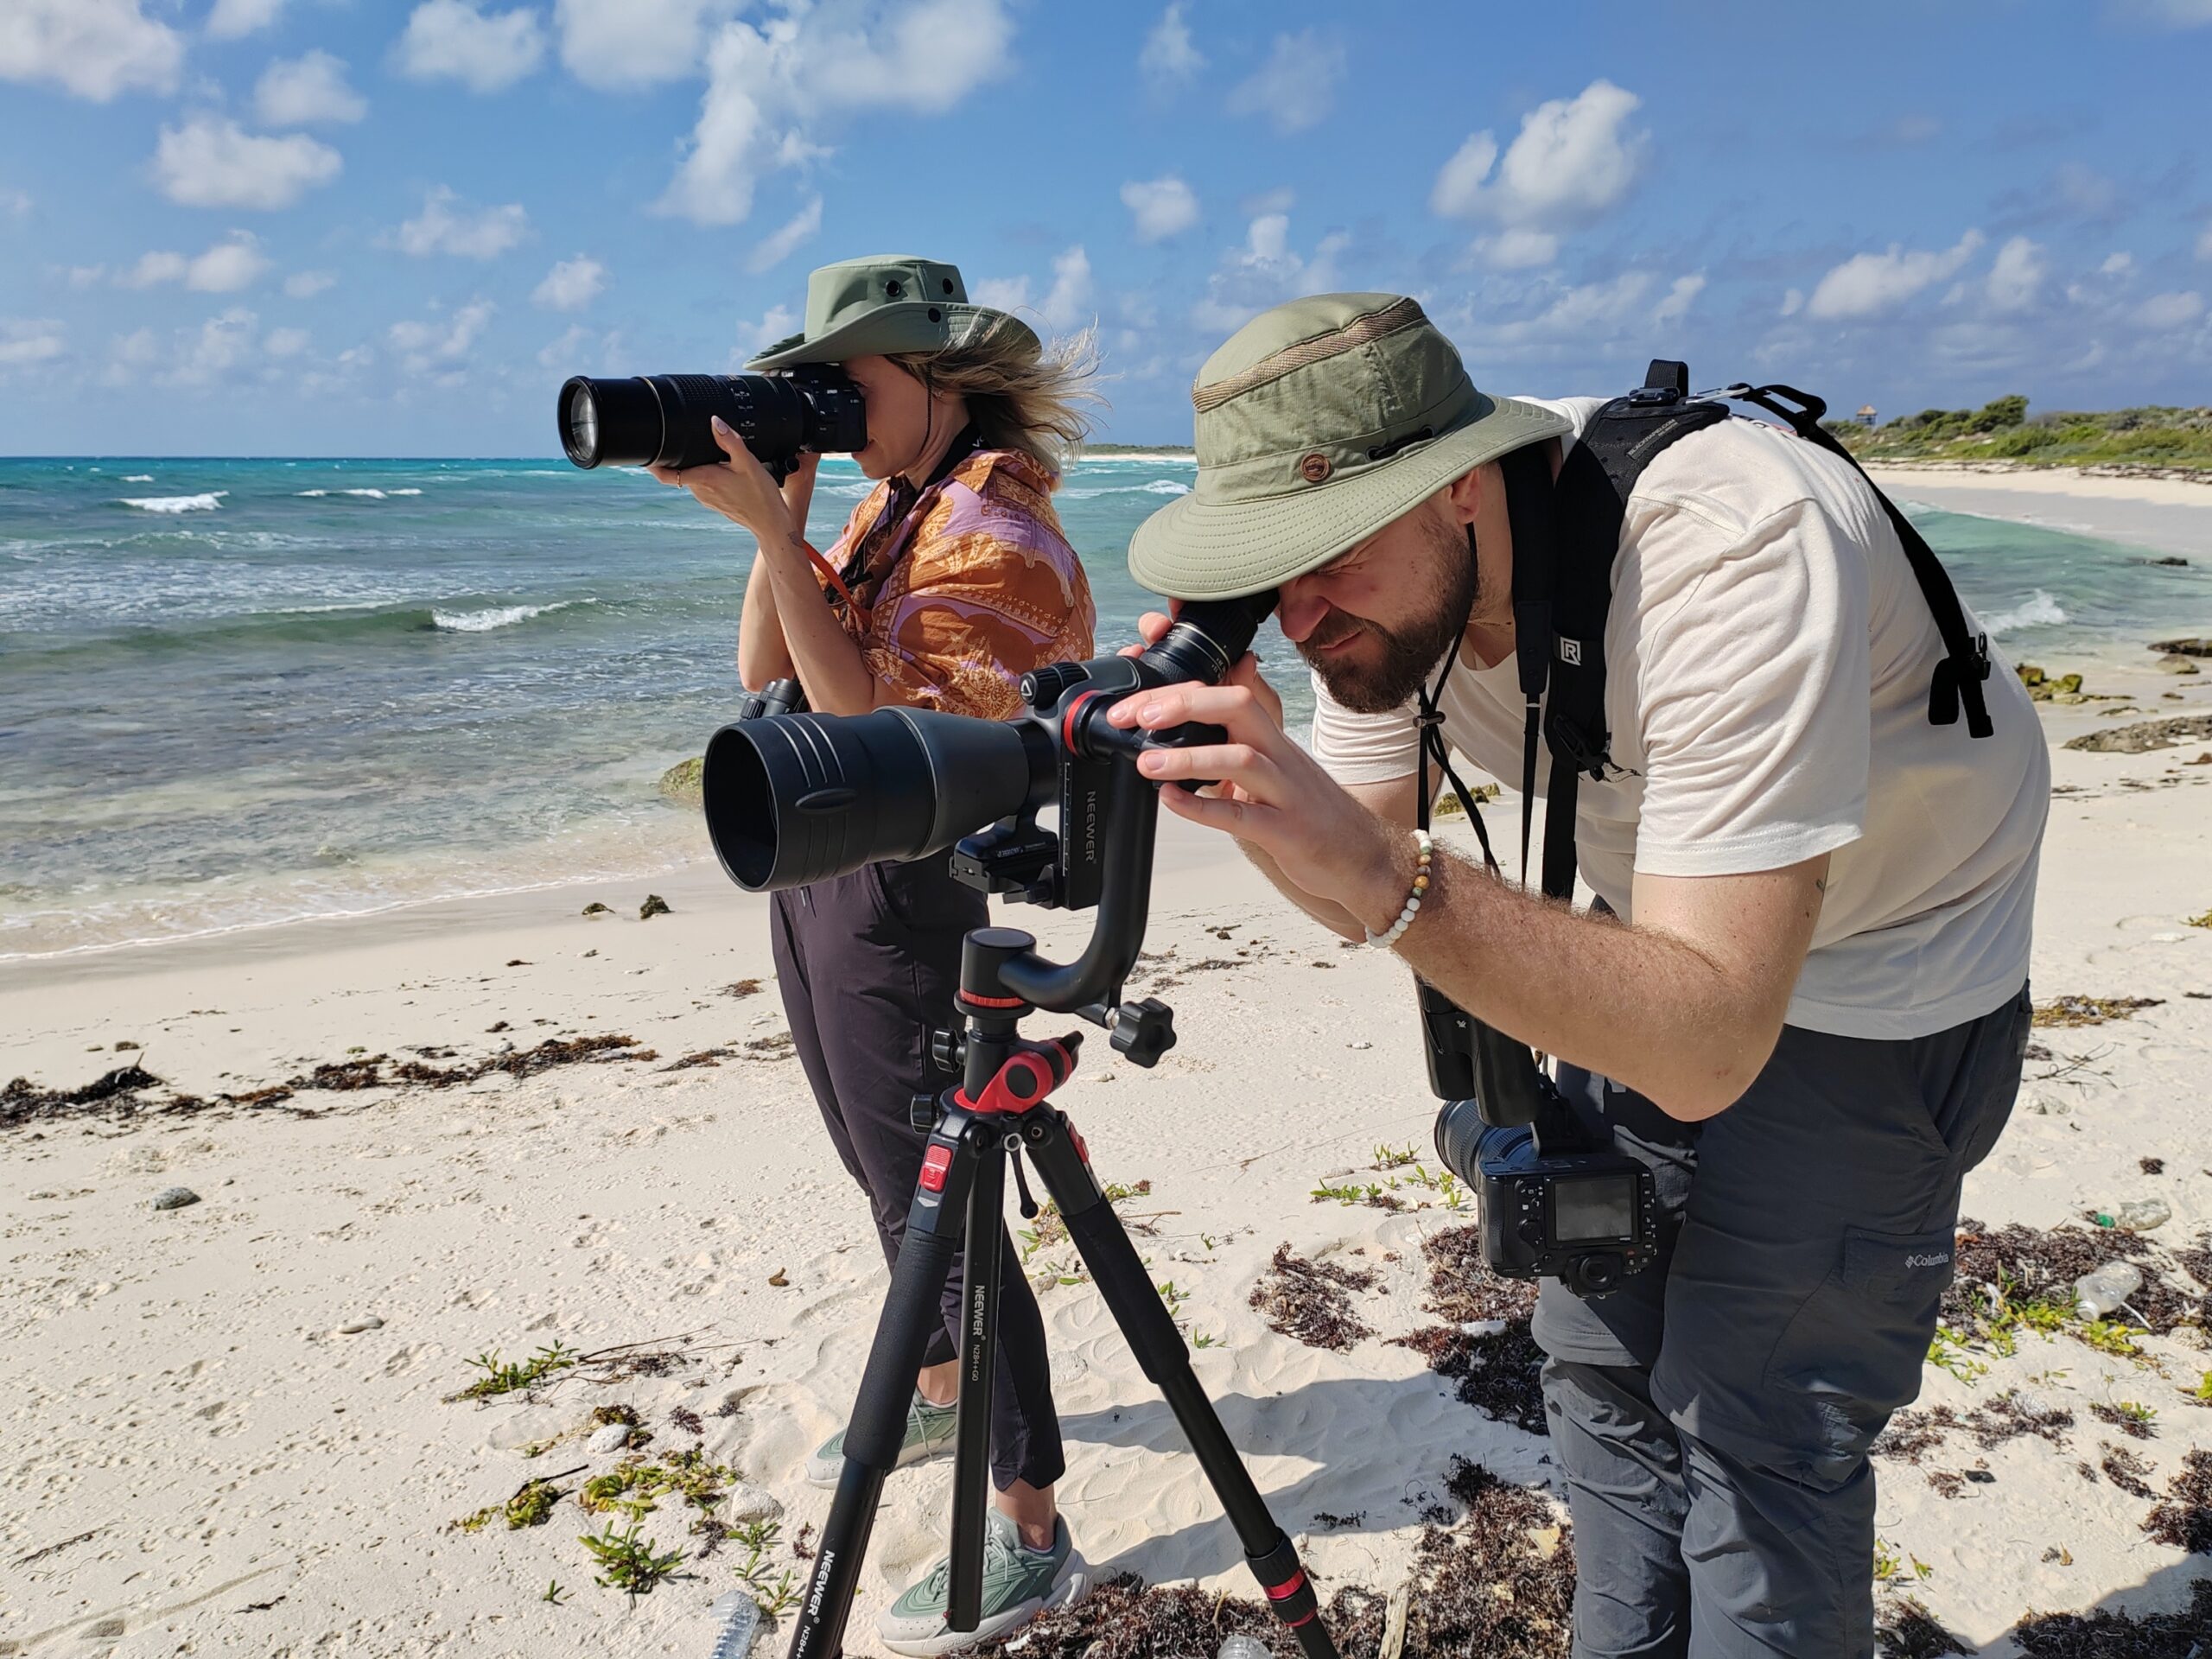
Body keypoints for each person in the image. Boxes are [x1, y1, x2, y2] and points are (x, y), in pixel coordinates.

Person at [1110, 293, 2047, 1658]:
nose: (1300, 608)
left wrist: (1382, 876)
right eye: (1269, 569)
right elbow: (1351, 866)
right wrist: (1239, 792)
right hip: (1654, 942)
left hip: (1884, 983)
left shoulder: (1730, 541)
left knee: (1760, 1439)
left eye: (1328, 558)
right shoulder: (1360, 601)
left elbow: (1708, 1035)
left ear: (1464, 494)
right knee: (1600, 1368)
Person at [652, 254, 1096, 1656]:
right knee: (879, 1163)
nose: (834, 404)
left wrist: (783, 541)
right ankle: (947, 1383)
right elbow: (762, 676)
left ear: (942, 381)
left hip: (905, 897)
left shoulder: (996, 538)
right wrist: (772, 524)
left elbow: (867, 732)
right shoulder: (897, 505)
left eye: (854, 382)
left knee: (947, 1214)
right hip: (825, 871)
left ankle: (1030, 1521)